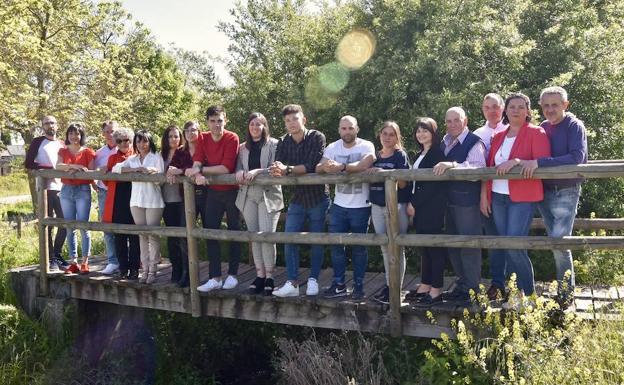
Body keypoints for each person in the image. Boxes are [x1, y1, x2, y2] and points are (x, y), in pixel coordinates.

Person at [520, 86, 588, 307]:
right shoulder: (543, 127)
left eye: (555, 105)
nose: (550, 109)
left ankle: (566, 296)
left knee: (559, 243)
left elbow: (576, 157)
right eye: (546, 105)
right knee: (554, 241)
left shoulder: (574, 126)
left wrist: (540, 163)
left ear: (565, 105)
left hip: (566, 191)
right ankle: (563, 291)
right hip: (544, 192)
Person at [481, 93, 551, 307]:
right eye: (512, 107)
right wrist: (485, 195)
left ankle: (529, 296)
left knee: (514, 244)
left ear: (528, 111)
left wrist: (517, 161)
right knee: (506, 244)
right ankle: (514, 294)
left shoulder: (536, 132)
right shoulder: (499, 136)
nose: (516, 110)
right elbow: (491, 167)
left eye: (521, 107)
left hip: (522, 197)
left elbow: (543, 161)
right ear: (506, 110)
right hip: (499, 197)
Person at [269, 104, 329, 297]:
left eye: (295, 119)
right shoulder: (283, 141)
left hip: (318, 196)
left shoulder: (317, 137)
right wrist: (280, 168)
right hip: (298, 198)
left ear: (304, 120)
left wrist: (287, 169)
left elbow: (311, 166)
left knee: (317, 240)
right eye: (287, 121)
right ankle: (292, 283)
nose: (291, 123)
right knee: (289, 238)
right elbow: (278, 163)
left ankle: (313, 279)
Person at [317, 115, 376, 300]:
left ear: (357, 129)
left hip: (361, 206)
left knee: (359, 248)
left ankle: (359, 286)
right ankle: (339, 284)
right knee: (336, 247)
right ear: (339, 130)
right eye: (344, 128)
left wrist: (340, 166)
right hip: (339, 205)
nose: (347, 131)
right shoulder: (333, 147)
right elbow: (318, 167)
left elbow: (365, 163)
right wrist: (328, 167)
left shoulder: (366, 145)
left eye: (350, 128)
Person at [433, 107, 486, 304]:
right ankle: (462, 285)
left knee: (469, 246)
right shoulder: (444, 142)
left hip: (466, 202)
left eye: (457, 120)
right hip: (447, 202)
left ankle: (472, 290)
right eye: (449, 121)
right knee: (453, 246)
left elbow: (478, 168)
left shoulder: (474, 142)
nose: (453, 124)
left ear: (465, 121)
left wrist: (453, 165)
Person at [185, 106, 241, 292]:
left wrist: (200, 170)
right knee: (210, 231)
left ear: (226, 120)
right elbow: (198, 160)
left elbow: (226, 168)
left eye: (220, 120)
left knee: (234, 232)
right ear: (207, 122)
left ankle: (233, 274)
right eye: (212, 121)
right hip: (213, 193)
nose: (217, 125)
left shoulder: (232, 138)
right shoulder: (203, 138)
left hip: (232, 191)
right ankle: (215, 277)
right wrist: (196, 172)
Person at [235, 113, 284, 295]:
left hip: (268, 194)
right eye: (252, 124)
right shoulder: (242, 148)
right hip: (248, 195)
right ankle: (260, 275)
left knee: (267, 236)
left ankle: (270, 276)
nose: (255, 127)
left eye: (259, 124)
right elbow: (238, 167)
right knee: (254, 235)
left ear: (264, 126)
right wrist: (239, 172)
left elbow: (276, 168)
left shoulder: (275, 144)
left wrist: (257, 171)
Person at [366, 121, 411, 304]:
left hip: (396, 206)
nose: (387, 137)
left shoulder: (400, 155)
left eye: (391, 134)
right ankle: (388, 285)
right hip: (376, 206)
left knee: (397, 246)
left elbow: (403, 183)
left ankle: (396, 288)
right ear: (379, 135)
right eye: (384, 133)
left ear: (397, 136)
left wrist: (383, 172)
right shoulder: (374, 156)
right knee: (385, 247)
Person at [112, 130, 165, 284]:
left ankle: (153, 270)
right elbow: (116, 168)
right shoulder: (132, 159)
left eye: (145, 141)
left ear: (150, 142)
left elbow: (161, 180)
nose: (142, 144)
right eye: (139, 141)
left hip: (153, 201)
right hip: (136, 202)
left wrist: (152, 172)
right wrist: (135, 170)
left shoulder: (156, 157)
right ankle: (145, 269)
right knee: (142, 235)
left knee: (153, 235)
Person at [406, 118, 448, 307]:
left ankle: (437, 289)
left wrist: (414, 203)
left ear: (433, 132)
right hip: (421, 207)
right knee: (424, 248)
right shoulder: (421, 153)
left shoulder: (437, 153)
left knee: (434, 247)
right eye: (418, 131)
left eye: (425, 131)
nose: (421, 134)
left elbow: (432, 185)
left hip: (431, 206)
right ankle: (425, 284)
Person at [474, 94, 509, 300]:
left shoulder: (512, 129)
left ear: (503, 108)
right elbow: (479, 168)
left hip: (512, 194)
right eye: (487, 107)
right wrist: (482, 196)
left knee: (514, 239)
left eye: (496, 106)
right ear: (483, 109)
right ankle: (497, 283)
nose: (492, 110)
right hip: (488, 192)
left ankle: (517, 284)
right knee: (495, 239)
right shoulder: (478, 134)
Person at [24, 115, 68, 272]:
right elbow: (28, 163)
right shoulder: (37, 142)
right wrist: (49, 170)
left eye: (53, 123)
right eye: (47, 123)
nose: (50, 125)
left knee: (64, 223)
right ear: (42, 126)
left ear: (57, 125)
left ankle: (57, 255)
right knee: (48, 224)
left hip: (62, 187)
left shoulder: (62, 144)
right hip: (45, 188)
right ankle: (50, 258)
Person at [56, 123, 96, 274]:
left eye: (77, 134)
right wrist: (74, 167)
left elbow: (90, 171)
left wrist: (77, 167)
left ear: (81, 136)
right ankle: (73, 261)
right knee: (69, 226)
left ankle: (85, 261)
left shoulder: (88, 152)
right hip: (66, 190)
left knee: (83, 226)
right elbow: (58, 166)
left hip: (82, 190)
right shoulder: (63, 150)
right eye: (71, 134)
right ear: (67, 136)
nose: (74, 137)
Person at [103, 128, 140, 280]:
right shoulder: (112, 158)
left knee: (134, 236)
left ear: (132, 141)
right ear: (116, 143)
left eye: (127, 140)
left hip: (135, 197)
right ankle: (123, 267)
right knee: (120, 236)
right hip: (118, 198)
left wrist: (121, 171)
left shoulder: (137, 156)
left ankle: (135, 268)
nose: (124, 143)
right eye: (120, 141)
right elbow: (107, 178)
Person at [162, 125, 193, 287]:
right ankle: (175, 269)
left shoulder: (184, 152)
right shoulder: (161, 155)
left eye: (176, 136)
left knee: (183, 237)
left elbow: (190, 168)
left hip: (182, 200)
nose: (173, 139)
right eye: (170, 136)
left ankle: (186, 273)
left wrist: (178, 171)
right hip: (166, 200)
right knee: (171, 236)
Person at [95, 121, 119, 275]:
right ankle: (112, 260)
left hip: (122, 192)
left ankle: (129, 260)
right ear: (103, 134)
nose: (110, 135)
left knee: (125, 226)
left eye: (113, 131)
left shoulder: (126, 149)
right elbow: (92, 171)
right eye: (107, 132)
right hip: (105, 193)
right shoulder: (99, 153)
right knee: (106, 226)